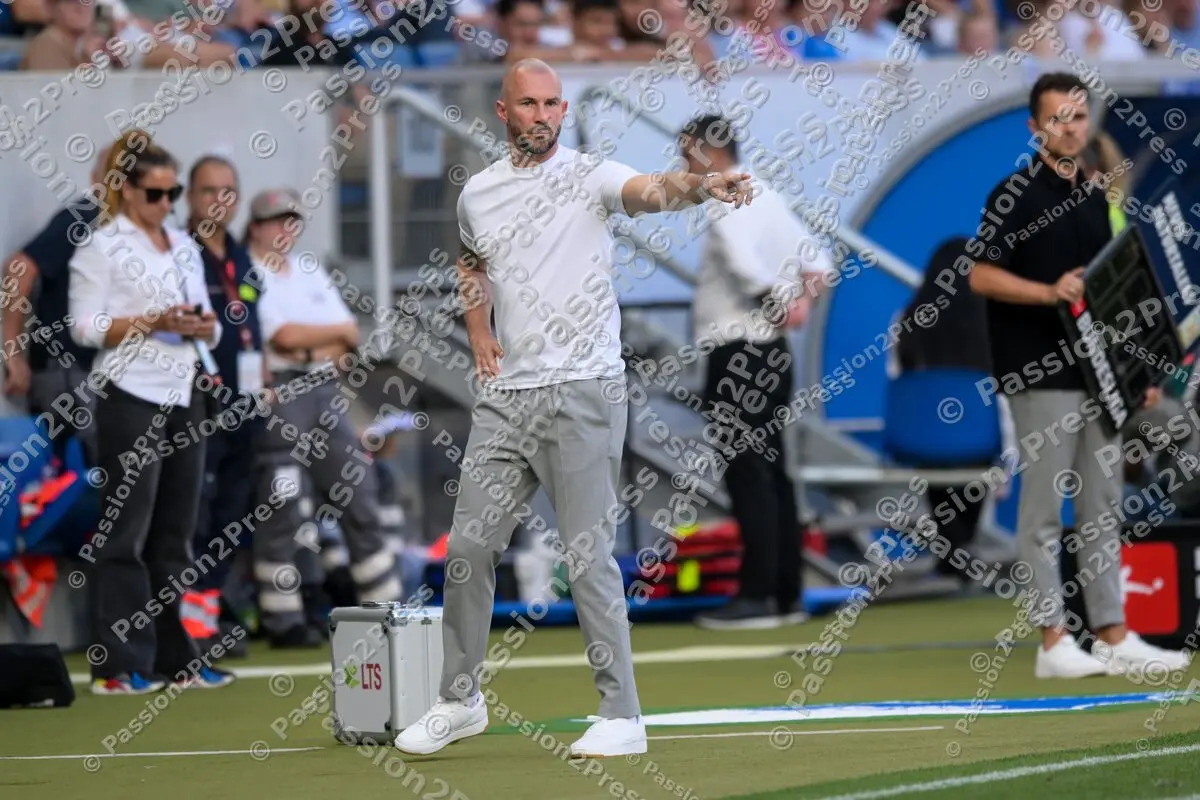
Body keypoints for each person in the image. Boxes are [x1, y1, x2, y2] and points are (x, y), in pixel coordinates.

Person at [393, 58, 754, 758]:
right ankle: (459, 700)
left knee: (586, 553)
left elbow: (655, 189)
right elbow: (471, 264)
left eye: (554, 103)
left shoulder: (591, 174)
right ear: (504, 113)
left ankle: (623, 714)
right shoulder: (480, 194)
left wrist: (705, 185)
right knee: (468, 550)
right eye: (529, 104)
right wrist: (478, 331)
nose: (544, 115)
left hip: (585, 389)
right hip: (506, 398)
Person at [967, 72, 1190, 679]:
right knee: (1042, 514)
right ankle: (1053, 643)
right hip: (1040, 380)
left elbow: (1113, 291)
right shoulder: (1010, 195)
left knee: (1101, 509)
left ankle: (1113, 635)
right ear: (1035, 127)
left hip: (1101, 380)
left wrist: (1139, 367)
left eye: (1078, 116)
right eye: (1058, 118)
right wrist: (1047, 292)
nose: (1070, 128)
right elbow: (980, 277)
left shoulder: (1095, 199)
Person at [68, 129, 234, 695]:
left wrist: (195, 324)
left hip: (184, 389)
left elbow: (207, 318)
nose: (167, 204)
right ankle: (117, 664)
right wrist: (153, 321)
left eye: (173, 193)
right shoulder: (102, 246)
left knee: (174, 534)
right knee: (126, 533)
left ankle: (173, 656)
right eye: (156, 194)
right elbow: (83, 328)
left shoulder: (182, 245)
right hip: (130, 394)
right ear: (128, 191)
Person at [671, 113, 833, 631]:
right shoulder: (767, 193)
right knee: (774, 472)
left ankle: (757, 596)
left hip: (738, 352)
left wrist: (777, 301)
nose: (682, 166)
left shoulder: (726, 197)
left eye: (686, 154)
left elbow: (744, 267)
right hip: (773, 354)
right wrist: (797, 305)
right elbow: (821, 262)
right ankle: (787, 595)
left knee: (748, 474)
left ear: (706, 153)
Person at [244, 188, 403, 649]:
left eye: (291, 220)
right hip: (281, 394)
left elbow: (349, 334)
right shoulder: (249, 273)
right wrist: (314, 345)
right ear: (255, 226)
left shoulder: (308, 270)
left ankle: (384, 607)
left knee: (359, 492)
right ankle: (283, 619)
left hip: (324, 392)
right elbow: (280, 335)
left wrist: (309, 346)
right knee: (283, 507)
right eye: (275, 220)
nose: (284, 229)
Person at [179, 154, 264, 658]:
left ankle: (207, 615)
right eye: (209, 191)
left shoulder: (240, 255)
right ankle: (188, 625)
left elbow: (253, 324)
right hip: (199, 405)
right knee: (197, 512)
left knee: (233, 513)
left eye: (228, 191)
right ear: (191, 197)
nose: (219, 201)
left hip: (245, 402)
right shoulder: (178, 252)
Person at [894, 236, 995, 586]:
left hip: (923, 441)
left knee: (937, 453)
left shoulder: (907, 319)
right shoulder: (992, 320)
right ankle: (960, 547)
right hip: (978, 442)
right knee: (972, 454)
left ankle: (952, 550)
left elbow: (897, 380)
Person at [2, 146, 108, 467]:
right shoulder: (86, 216)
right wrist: (13, 353)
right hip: (71, 373)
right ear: (96, 180)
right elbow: (18, 267)